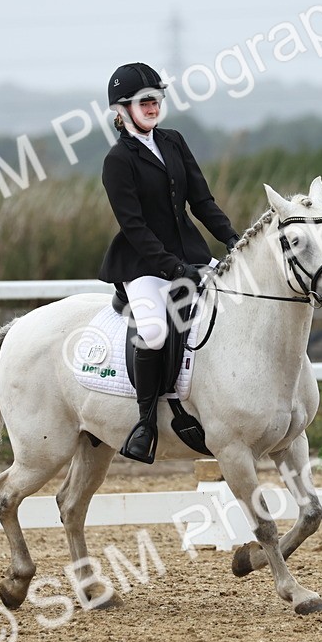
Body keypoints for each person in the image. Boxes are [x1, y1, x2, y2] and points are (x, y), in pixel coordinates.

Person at [97, 62, 239, 464]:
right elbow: (136, 227)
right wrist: (174, 268)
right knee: (157, 331)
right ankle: (144, 424)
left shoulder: (174, 141)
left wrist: (232, 238)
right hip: (143, 265)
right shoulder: (118, 161)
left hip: (191, 255)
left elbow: (202, 202)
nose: (153, 107)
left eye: (157, 99)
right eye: (145, 101)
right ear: (121, 111)